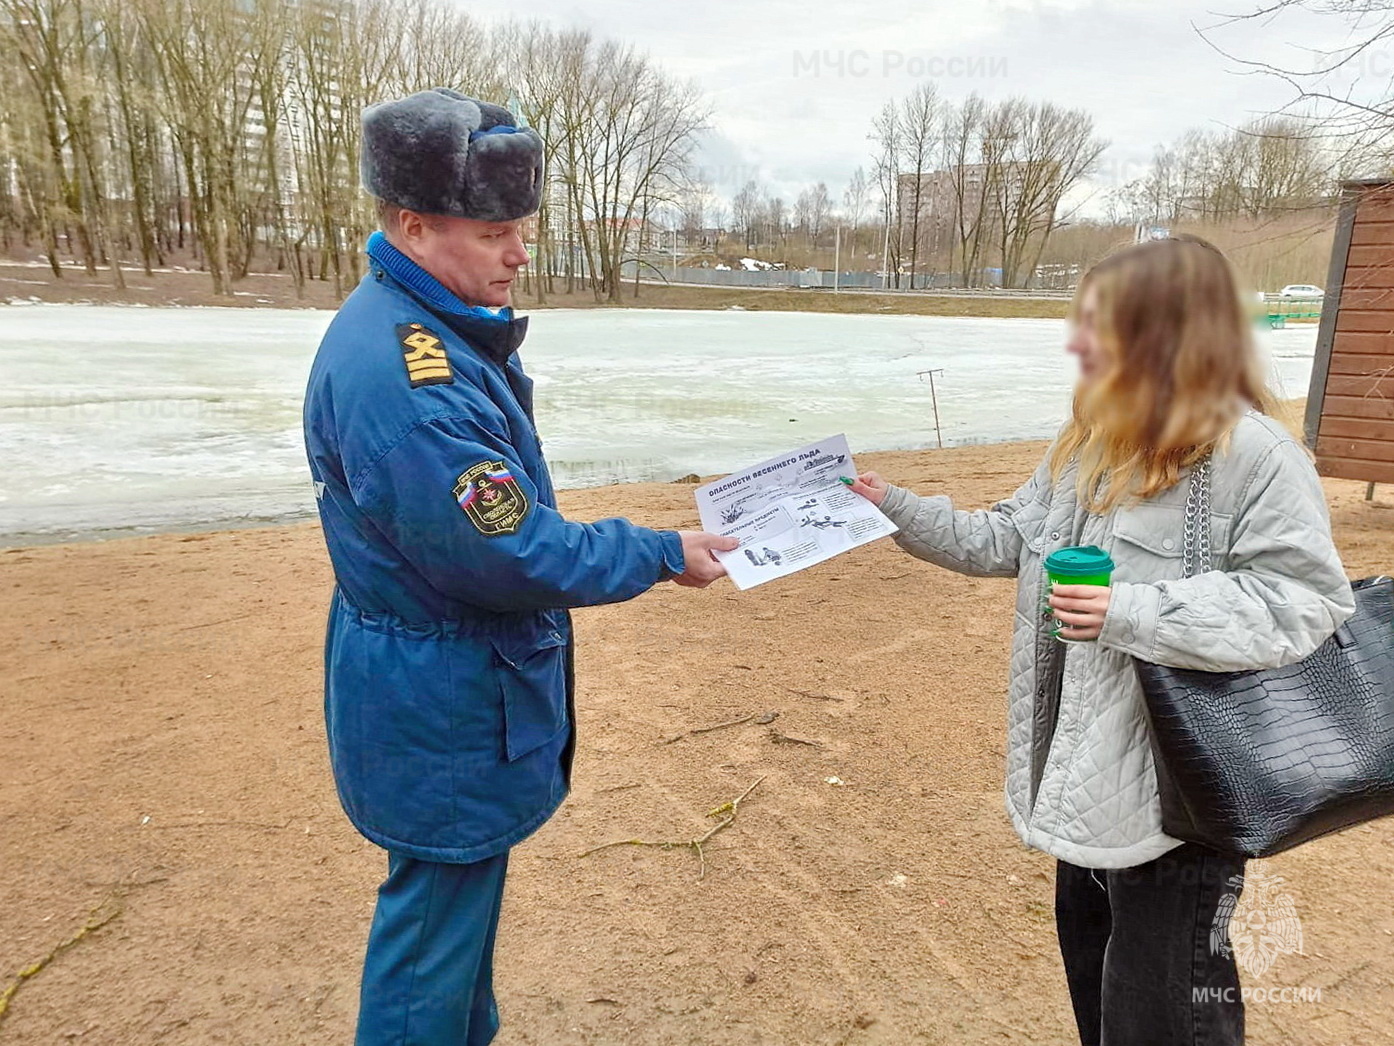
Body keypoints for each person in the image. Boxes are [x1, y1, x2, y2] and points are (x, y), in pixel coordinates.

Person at [302, 87, 736, 1045]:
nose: (519, 253)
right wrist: (661, 552)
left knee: (453, 922)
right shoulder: (408, 377)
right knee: (431, 939)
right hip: (442, 694)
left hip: (439, 684)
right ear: (413, 225)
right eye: (495, 230)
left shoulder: (424, 328)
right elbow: (505, 550)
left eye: (523, 227)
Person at [848, 236, 1353, 1046]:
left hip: (1180, 795)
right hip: (1085, 779)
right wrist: (889, 505)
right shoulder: (1089, 439)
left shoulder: (1256, 456)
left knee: (1168, 1014)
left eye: (1099, 325)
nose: (1078, 344)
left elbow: (1305, 601)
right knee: (1101, 987)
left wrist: (1132, 612)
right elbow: (1003, 540)